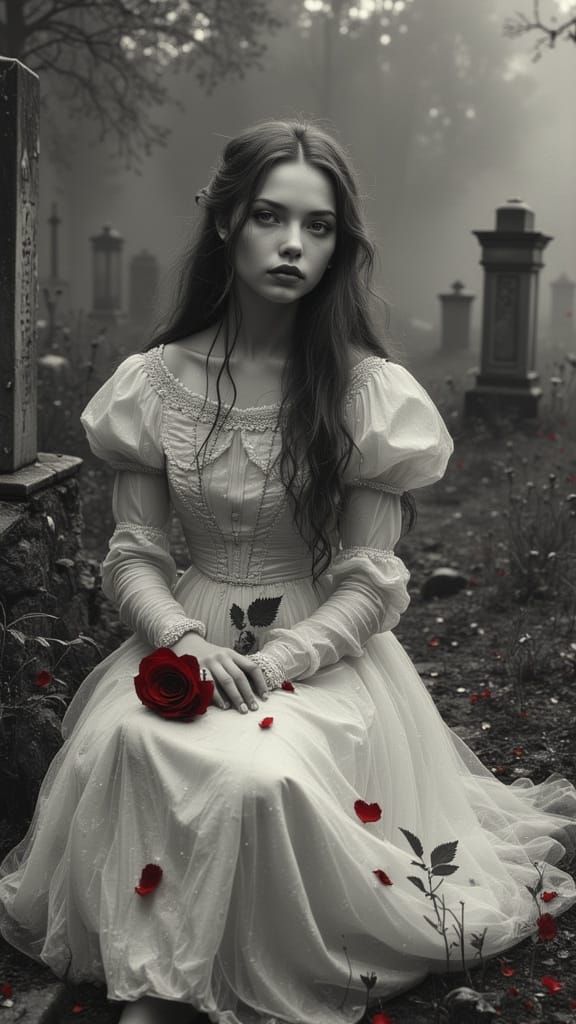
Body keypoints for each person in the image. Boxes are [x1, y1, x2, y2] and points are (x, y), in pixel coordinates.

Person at [1, 118, 575, 1024]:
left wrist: (276, 661)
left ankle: (183, 987)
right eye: (271, 216)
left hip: (322, 650)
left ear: (340, 245)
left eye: (319, 226)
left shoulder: (365, 391)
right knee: (129, 746)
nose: (294, 244)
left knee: (257, 777)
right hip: (184, 633)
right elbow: (135, 555)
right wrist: (182, 639)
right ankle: (163, 978)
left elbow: (369, 582)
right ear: (226, 220)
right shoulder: (154, 382)